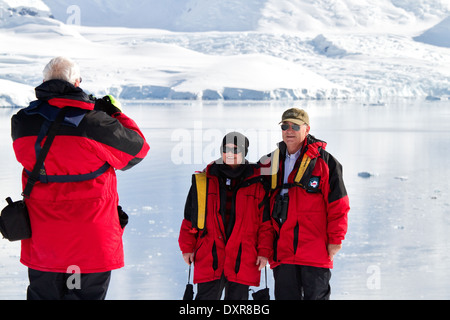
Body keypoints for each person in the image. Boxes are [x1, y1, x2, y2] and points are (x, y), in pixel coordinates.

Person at [11, 56, 150, 300]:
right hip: (91, 242)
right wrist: (113, 112)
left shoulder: (22, 122)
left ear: (44, 81)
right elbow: (137, 151)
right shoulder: (95, 123)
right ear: (77, 82)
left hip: (44, 242)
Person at [259, 108, 349, 300]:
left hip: (315, 252)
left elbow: (339, 204)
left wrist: (336, 239)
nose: (289, 130)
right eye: (285, 126)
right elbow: (260, 208)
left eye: (294, 126)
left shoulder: (325, 162)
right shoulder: (269, 163)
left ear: (306, 129)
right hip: (282, 252)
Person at [178, 132, 273, 300]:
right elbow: (189, 217)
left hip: (243, 256)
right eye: (226, 149)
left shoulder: (257, 183)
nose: (230, 153)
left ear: (244, 152)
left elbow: (265, 223)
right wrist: (187, 247)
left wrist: (264, 251)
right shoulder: (204, 179)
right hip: (210, 254)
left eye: (235, 150)